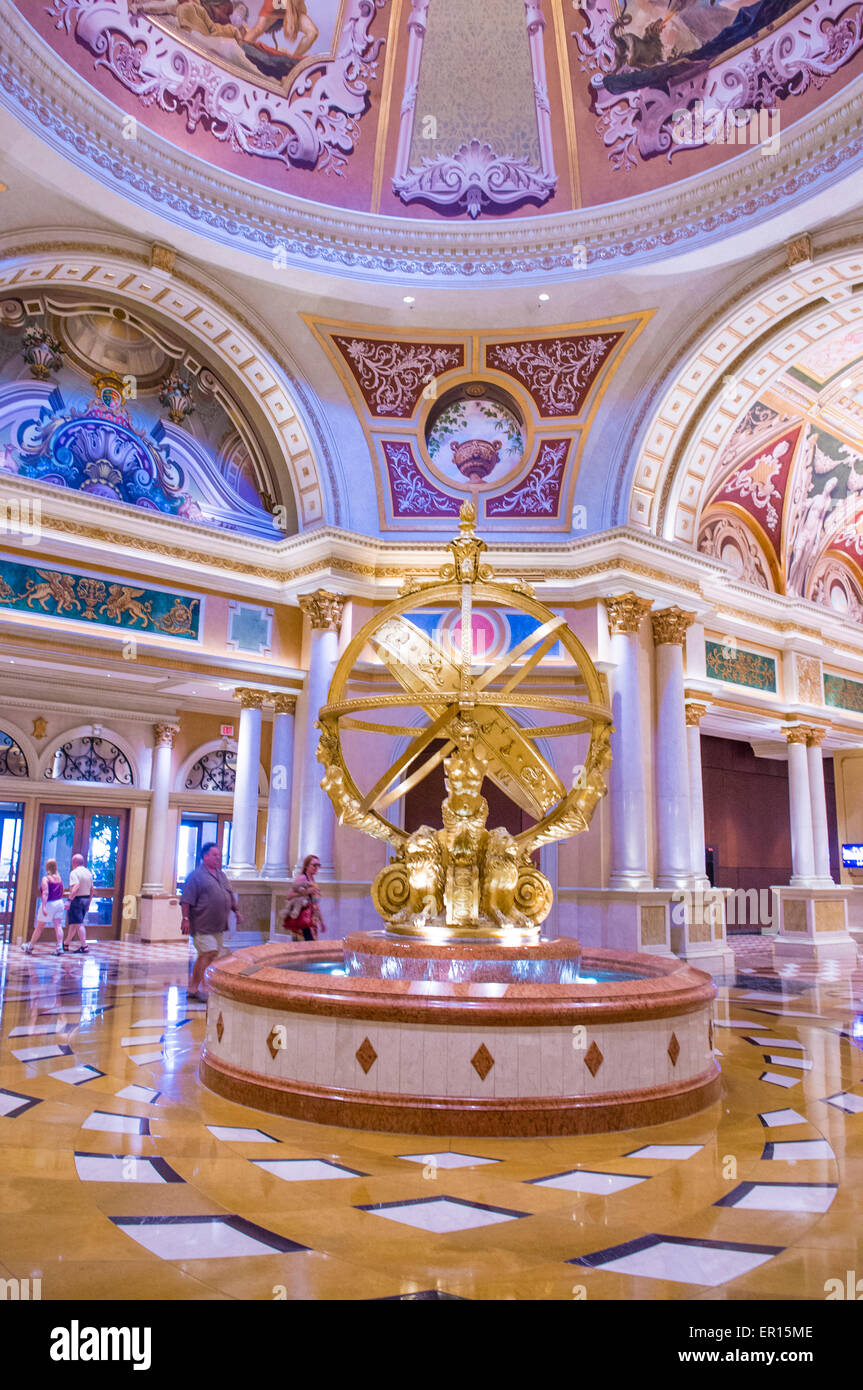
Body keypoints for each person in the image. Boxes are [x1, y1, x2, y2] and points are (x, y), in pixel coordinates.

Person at [180, 841, 241, 1002]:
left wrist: (236, 911)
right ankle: (194, 987)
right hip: (201, 924)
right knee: (209, 952)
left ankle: (198, 987)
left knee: (210, 956)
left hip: (218, 925)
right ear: (205, 856)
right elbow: (186, 900)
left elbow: (229, 894)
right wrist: (185, 919)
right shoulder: (196, 876)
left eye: (219, 855)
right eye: (214, 855)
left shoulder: (221, 875)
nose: (218, 858)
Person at [245, 0, 319, 57]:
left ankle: (294, 60)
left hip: (292, 9)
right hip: (276, 5)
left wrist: (294, 17)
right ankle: (243, 49)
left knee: (312, 32)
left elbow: (300, 7)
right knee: (258, 29)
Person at [24, 858, 66, 955]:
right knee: (58, 925)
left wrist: (43, 906)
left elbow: (45, 893)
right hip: (59, 903)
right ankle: (60, 947)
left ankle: (30, 946)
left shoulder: (46, 879)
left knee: (39, 927)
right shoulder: (59, 878)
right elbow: (62, 890)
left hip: (50, 903)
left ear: (47, 867)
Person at [282, 854, 323, 940]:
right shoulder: (302, 878)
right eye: (314, 865)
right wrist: (306, 892)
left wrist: (321, 922)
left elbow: (315, 902)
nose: (316, 868)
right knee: (307, 946)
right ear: (307, 866)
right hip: (303, 918)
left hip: (312, 919)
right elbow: (289, 896)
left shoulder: (312, 880)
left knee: (311, 946)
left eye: (318, 865)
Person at [64, 853, 93, 954]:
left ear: (74, 863)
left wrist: (69, 900)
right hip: (86, 899)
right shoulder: (88, 873)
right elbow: (92, 889)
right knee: (74, 923)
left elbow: (76, 886)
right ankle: (66, 944)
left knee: (79, 923)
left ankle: (84, 946)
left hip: (77, 900)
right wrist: (89, 902)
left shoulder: (74, 873)